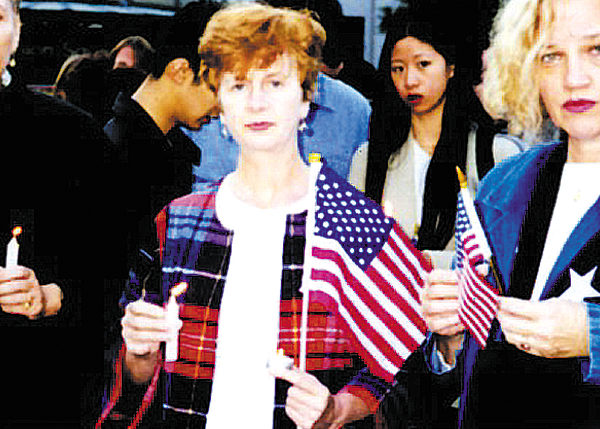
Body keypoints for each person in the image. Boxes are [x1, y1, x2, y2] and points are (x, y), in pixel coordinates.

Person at [98, 3, 432, 428]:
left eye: (275, 83)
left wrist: (339, 409)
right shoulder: (178, 224)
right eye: (238, 85)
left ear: (306, 97)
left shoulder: (350, 222)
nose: (255, 102)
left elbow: (405, 360)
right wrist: (138, 357)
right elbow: (131, 378)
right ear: (220, 99)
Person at [422, 0, 600, 427]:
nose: (574, 79)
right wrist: (449, 337)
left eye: (596, 49)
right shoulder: (506, 183)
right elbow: (457, 373)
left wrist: (591, 335)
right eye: (550, 56)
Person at [0, 0, 118, 425]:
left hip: (30, 388)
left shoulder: (72, 137)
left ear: (17, 28)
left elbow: (109, 272)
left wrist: (49, 297)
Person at [349, 4, 525, 270]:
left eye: (423, 65)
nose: (410, 80)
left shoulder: (497, 155)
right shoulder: (368, 159)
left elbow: (511, 253)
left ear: (450, 67)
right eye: (398, 68)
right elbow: (353, 249)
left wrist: (427, 261)